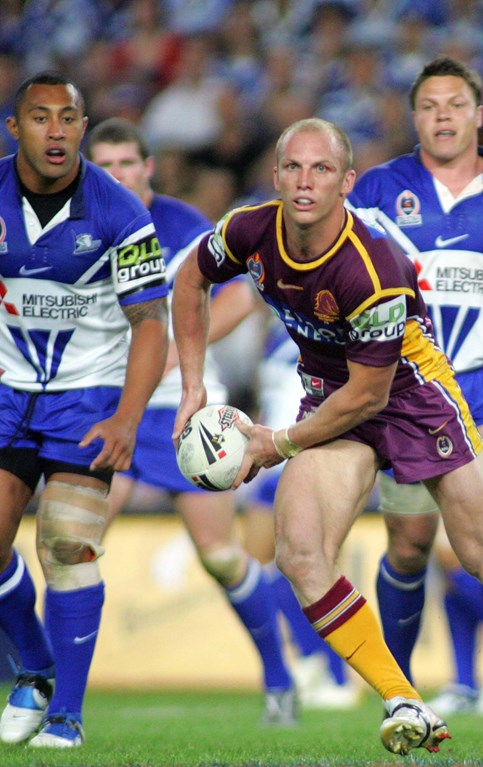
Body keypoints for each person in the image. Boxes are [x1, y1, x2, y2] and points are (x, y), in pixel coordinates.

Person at [171, 116, 483, 762]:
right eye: (293, 167)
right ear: (275, 175)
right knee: (300, 555)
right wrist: (194, 384)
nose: (305, 181)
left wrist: (274, 444)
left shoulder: (372, 267)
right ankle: (404, 701)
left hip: (411, 394)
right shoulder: (247, 230)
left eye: (321, 169)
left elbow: (368, 395)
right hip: (331, 395)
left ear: (347, 183)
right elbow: (190, 279)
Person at [348, 55, 483, 739]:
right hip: (410, 387)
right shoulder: (377, 190)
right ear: (414, 117)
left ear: (478, 115)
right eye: (429, 105)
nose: (442, 115)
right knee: (408, 544)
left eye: (454, 104)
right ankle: (401, 695)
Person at [86, 117, 298, 726]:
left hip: (185, 407)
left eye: (128, 163)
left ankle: (279, 678)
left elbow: (237, 294)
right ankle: (53, 697)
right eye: (105, 166)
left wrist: (178, 348)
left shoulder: (182, 227)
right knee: (72, 546)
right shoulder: (78, 227)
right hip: (111, 408)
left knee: (220, 557)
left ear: (149, 168)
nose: (118, 176)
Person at [0, 72, 169, 747]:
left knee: (66, 544)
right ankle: (36, 667)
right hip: (7, 387)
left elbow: (149, 323)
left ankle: (65, 716)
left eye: (69, 118)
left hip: (88, 394)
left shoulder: (121, 211)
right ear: (16, 129)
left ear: (83, 127)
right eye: (41, 118)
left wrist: (127, 418)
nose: (57, 131)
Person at [242, 317, 360, 710]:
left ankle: (339, 675)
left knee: (316, 565)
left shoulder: (329, 325)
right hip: (270, 456)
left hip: (309, 453)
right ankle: (311, 659)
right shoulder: (273, 332)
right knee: (261, 563)